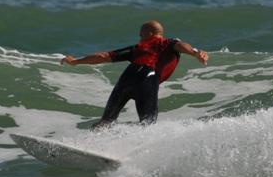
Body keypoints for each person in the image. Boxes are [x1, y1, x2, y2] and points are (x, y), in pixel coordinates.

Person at [61, 20, 209, 127]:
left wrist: (76, 62)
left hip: (127, 77)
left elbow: (103, 56)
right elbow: (181, 46)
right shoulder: (167, 44)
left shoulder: (142, 48)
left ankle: (91, 144)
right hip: (148, 80)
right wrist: (195, 53)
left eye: (141, 34)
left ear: (150, 33)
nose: (139, 36)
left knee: (106, 121)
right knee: (148, 124)